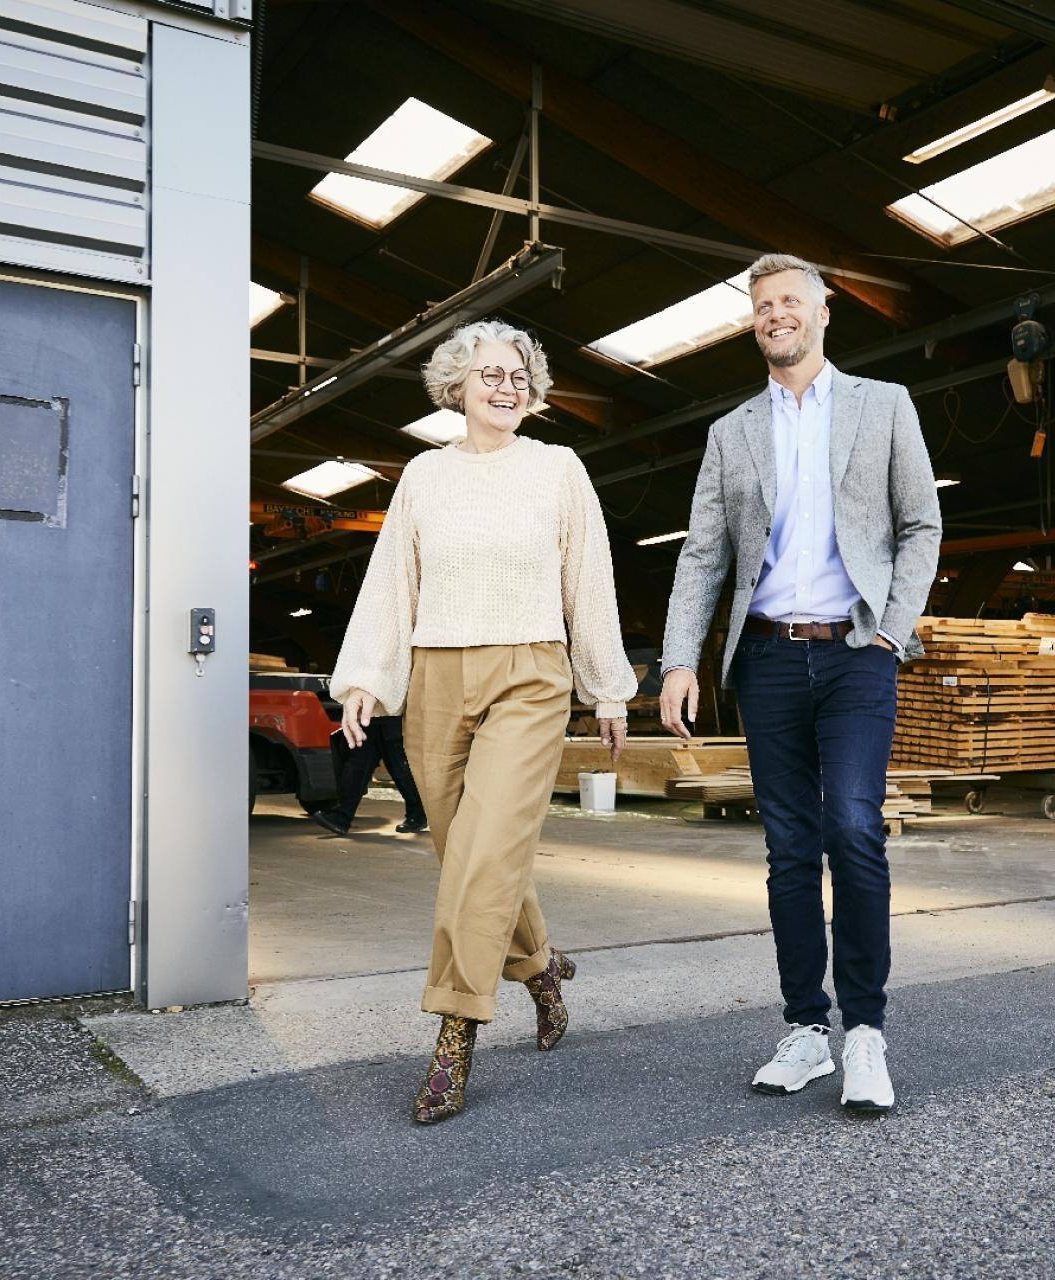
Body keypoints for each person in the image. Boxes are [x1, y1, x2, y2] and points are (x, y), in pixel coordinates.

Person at [330, 319, 634, 1124]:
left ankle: (454, 1036)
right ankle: (539, 968)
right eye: (489, 373)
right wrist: (365, 677)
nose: (506, 386)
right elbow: (393, 580)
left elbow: (588, 579)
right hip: (435, 674)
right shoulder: (425, 477)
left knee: (486, 852)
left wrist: (607, 687)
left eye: (519, 373)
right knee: (470, 856)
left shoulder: (558, 469)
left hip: (531, 673)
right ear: (456, 387)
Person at [659, 253, 942, 1114]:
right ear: (754, 323)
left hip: (858, 649)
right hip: (770, 659)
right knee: (788, 849)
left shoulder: (883, 405)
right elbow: (704, 552)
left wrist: (892, 627)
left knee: (853, 828)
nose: (776, 314)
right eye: (762, 305)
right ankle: (805, 1029)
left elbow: (922, 523)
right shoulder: (731, 430)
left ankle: (865, 1032)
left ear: (825, 313)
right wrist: (678, 659)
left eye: (790, 301)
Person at [311, 714, 428, 835]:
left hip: (390, 716)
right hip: (370, 718)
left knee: (399, 769)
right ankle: (342, 817)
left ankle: (418, 815)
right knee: (357, 767)